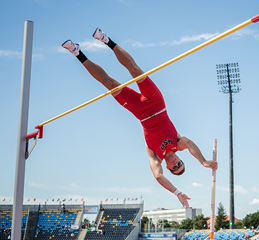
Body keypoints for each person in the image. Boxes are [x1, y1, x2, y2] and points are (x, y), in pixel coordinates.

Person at [62, 28, 218, 208]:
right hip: (157, 104)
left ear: (169, 168)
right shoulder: (178, 144)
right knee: (135, 70)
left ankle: (77, 52)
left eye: (175, 168)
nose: (176, 163)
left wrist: (177, 192)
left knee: (110, 84)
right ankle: (106, 40)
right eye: (180, 164)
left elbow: (158, 176)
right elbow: (190, 144)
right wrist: (204, 161)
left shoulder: (155, 156)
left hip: (140, 113)